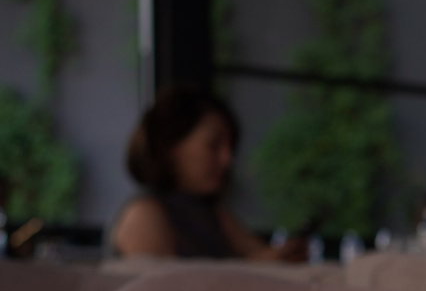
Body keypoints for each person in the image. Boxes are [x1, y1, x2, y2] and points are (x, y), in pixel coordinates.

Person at [111, 87, 303, 261]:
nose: (227, 159)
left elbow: (260, 256)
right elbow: (166, 286)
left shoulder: (212, 214)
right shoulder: (144, 215)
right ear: (170, 147)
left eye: (230, 147)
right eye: (213, 145)